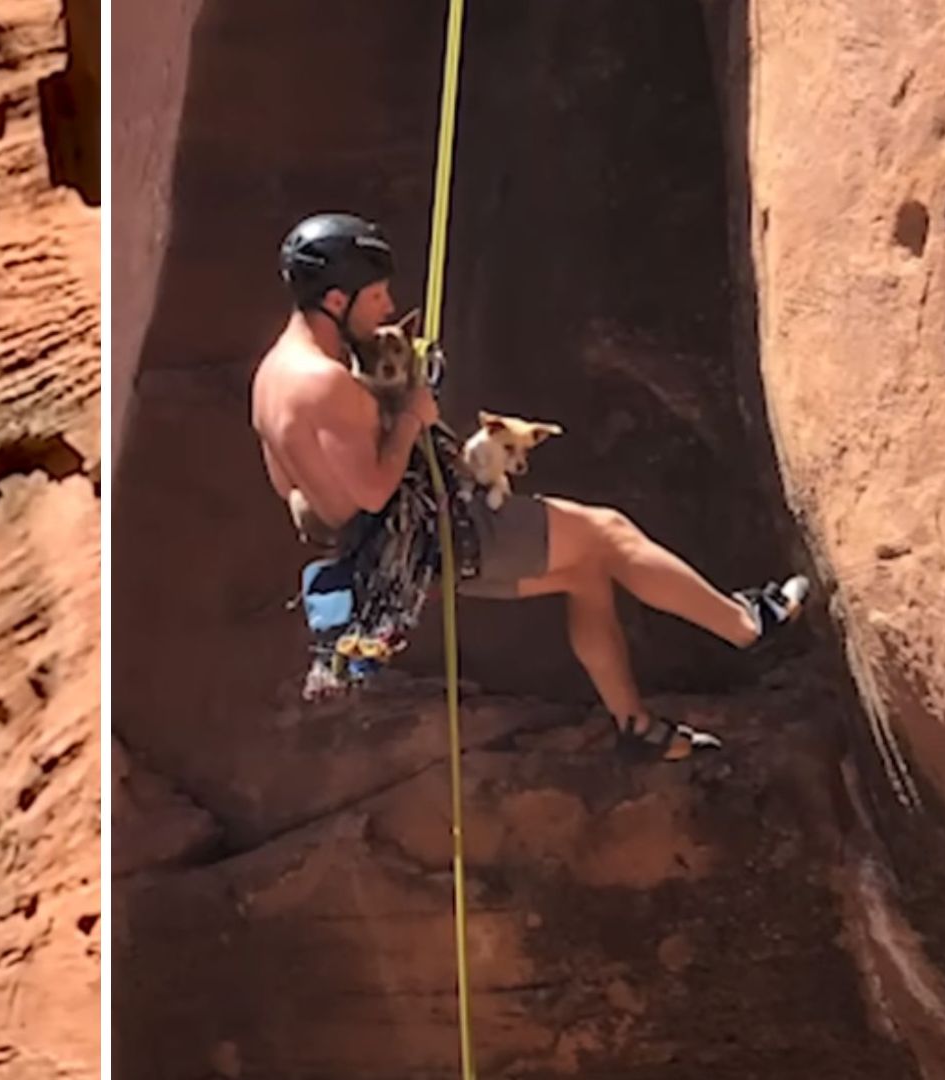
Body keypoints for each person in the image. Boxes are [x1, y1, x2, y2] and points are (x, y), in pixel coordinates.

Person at [249, 211, 810, 762]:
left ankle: (634, 726)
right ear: (336, 301)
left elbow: (293, 493)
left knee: (586, 574)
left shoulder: (272, 376)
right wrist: (412, 419)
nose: (389, 309)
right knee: (607, 532)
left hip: (412, 550)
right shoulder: (325, 384)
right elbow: (373, 492)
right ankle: (743, 624)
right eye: (375, 297)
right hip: (444, 532)